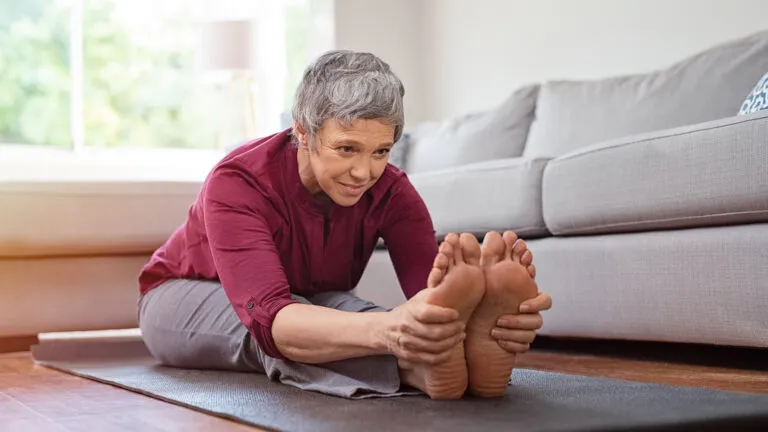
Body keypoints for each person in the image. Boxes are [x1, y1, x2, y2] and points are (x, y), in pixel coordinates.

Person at [137, 49, 552, 400]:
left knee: (357, 315)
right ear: (303, 132)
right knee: (291, 333)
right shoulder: (238, 182)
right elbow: (272, 318)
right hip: (186, 294)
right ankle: (412, 370)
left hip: (307, 298)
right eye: (347, 149)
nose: (363, 172)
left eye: (380, 151)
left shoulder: (393, 191)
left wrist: (483, 320)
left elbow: (432, 299)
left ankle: (438, 359)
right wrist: (392, 330)